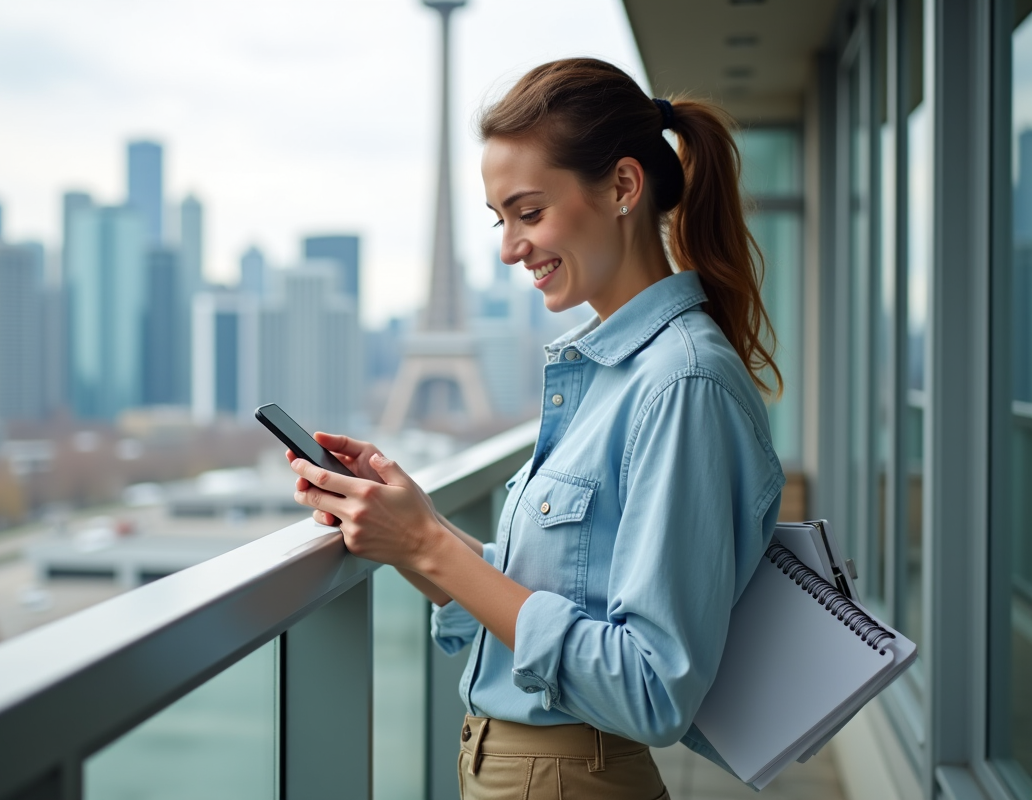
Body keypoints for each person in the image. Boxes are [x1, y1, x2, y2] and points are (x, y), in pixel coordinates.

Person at [287, 57, 785, 799]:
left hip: (566, 777)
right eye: (500, 220)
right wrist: (414, 529)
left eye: (529, 212)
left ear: (622, 187)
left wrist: (427, 544)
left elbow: (651, 687)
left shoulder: (680, 383)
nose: (509, 248)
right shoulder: (612, 374)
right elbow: (559, 594)